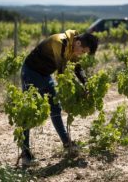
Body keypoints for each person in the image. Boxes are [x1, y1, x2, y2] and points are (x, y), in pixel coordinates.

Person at [20, 29, 98, 166]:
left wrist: (86, 85)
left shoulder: (73, 45)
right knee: (28, 113)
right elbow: (62, 72)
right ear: (78, 43)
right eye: (83, 51)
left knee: (55, 108)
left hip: (45, 75)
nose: (82, 54)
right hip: (31, 73)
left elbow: (77, 67)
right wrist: (76, 92)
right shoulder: (59, 42)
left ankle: (67, 143)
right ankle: (25, 154)